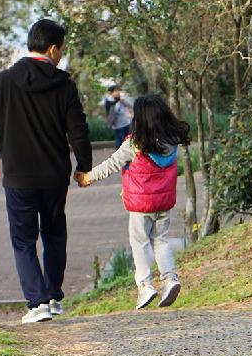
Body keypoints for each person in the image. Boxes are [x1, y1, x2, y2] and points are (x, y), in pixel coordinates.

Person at [0, 19, 92, 324]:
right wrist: (84, 166)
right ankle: (52, 297)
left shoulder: (3, 82)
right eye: (61, 50)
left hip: (19, 176)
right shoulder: (64, 84)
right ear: (53, 49)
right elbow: (78, 130)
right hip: (54, 175)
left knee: (24, 240)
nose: (61, 56)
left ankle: (36, 303)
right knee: (54, 234)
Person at [77, 94, 189, 310]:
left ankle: (145, 284)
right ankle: (169, 278)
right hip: (164, 203)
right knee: (161, 241)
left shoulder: (134, 145)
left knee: (139, 243)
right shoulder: (172, 142)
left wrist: (87, 177)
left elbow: (111, 164)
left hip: (140, 206)